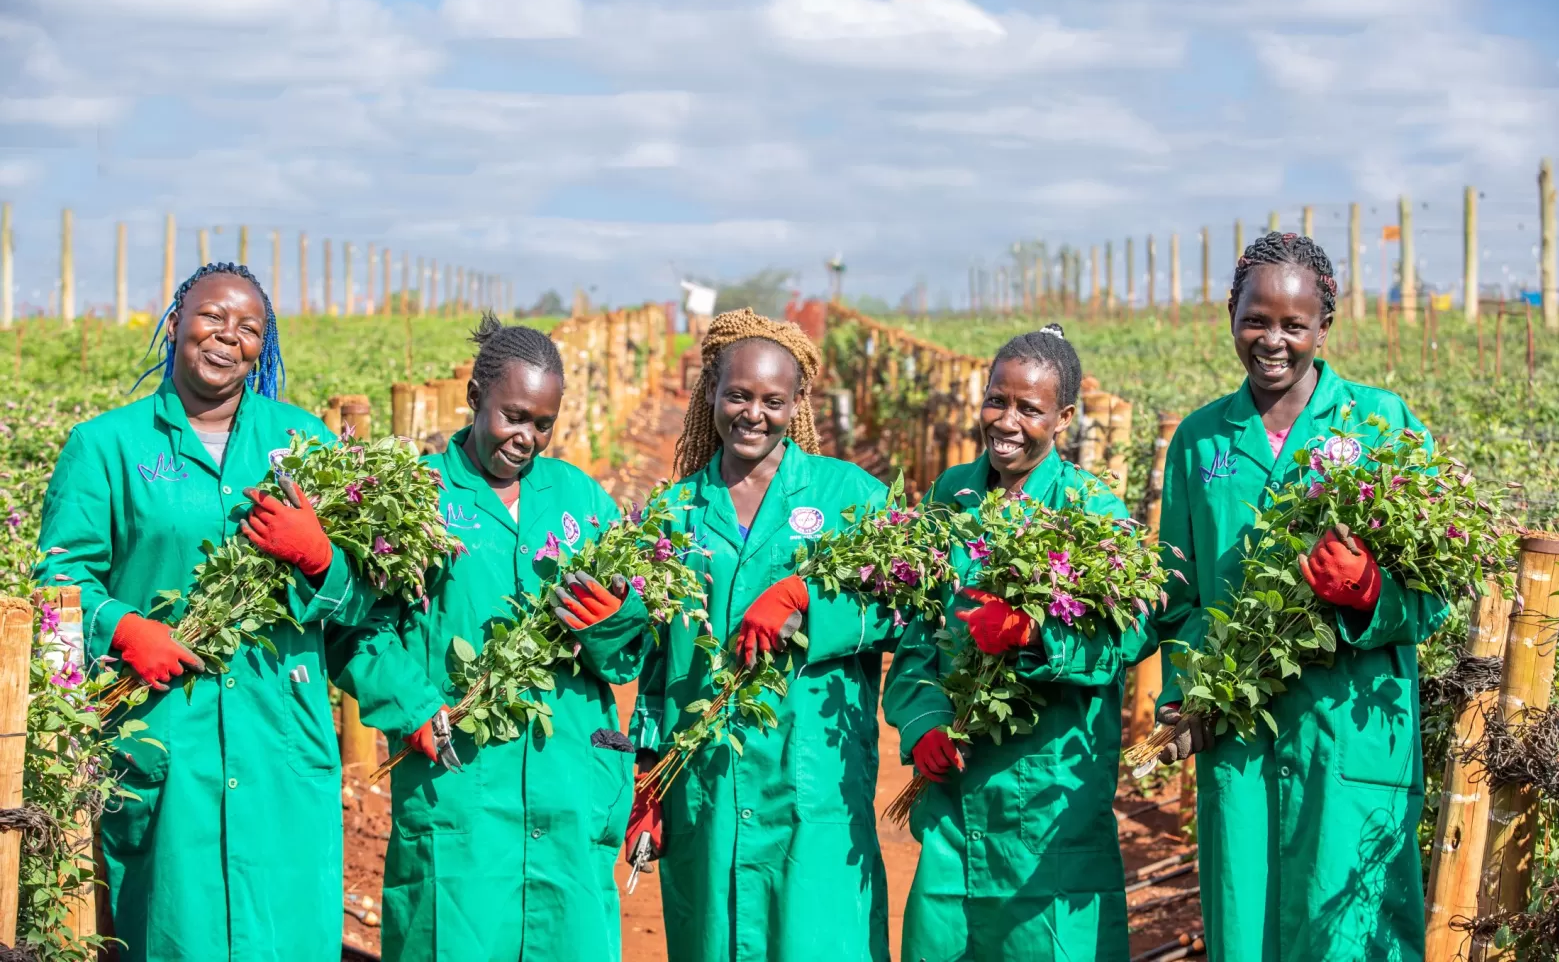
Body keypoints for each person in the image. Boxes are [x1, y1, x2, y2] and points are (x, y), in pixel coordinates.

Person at [38, 263, 375, 962]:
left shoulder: (303, 442)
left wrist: (322, 560)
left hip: (280, 731)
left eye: (249, 327)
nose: (229, 336)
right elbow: (57, 585)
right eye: (212, 317)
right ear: (174, 325)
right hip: (164, 732)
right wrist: (124, 629)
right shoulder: (106, 446)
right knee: (174, 930)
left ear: (265, 346)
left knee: (288, 934)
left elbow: (363, 600)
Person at [1149, 232, 1444, 961]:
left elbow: (1438, 594)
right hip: (1241, 734)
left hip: (1351, 727)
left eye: (1294, 324)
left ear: (1325, 326)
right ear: (1231, 314)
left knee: (1353, 930)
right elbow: (1178, 597)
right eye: (1257, 319)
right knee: (1245, 927)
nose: (1273, 341)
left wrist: (1373, 592)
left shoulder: (1383, 425)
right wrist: (1189, 690)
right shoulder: (1200, 440)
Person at [333, 312, 652, 962]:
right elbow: (354, 629)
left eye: (542, 424)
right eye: (513, 415)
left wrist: (610, 622)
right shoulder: (415, 497)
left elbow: (628, 653)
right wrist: (415, 706)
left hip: (568, 777)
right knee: (455, 936)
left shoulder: (580, 499)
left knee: (568, 940)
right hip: (460, 782)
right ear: (475, 397)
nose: (526, 437)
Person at [628, 308, 901, 962]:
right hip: (706, 785)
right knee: (716, 937)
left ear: (797, 403)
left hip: (815, 776)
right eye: (739, 395)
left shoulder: (851, 495)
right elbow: (659, 664)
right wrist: (649, 784)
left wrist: (810, 600)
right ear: (711, 393)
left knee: (818, 938)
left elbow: (903, 607)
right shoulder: (673, 512)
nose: (754, 414)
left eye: (773, 401)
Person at [882, 324, 1137, 962]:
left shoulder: (1092, 510)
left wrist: (1033, 637)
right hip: (954, 805)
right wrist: (925, 726)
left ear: (1064, 418)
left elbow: (1125, 638)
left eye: (1030, 409)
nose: (1008, 421)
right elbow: (918, 632)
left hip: (1049, 797)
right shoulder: (952, 495)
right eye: (998, 400)